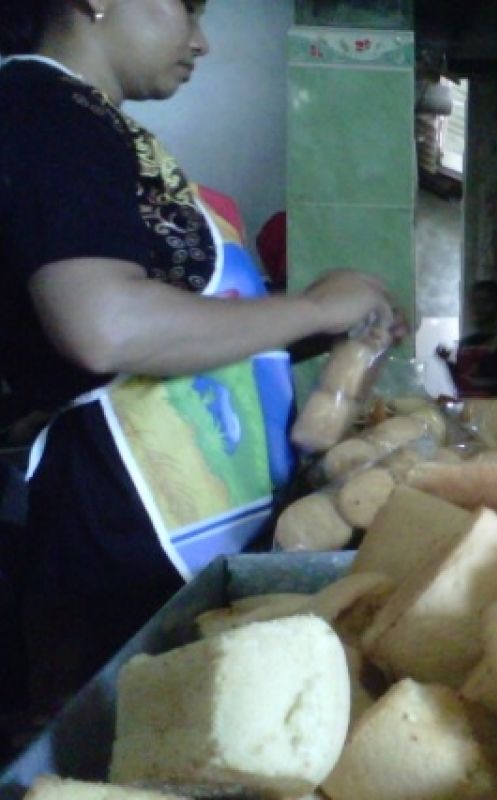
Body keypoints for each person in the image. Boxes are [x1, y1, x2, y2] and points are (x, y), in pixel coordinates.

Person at [0, 0, 405, 712]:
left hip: (157, 534)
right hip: (116, 533)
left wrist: (319, 323)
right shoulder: (43, 109)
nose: (201, 40)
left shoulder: (92, 124)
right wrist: (309, 310)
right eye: (184, 8)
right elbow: (105, 325)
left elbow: (178, 322)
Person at [437, 279, 497, 397]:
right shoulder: (466, 343)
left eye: (486, 301)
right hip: (472, 408)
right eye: (475, 302)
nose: (479, 308)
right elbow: (462, 383)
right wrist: (449, 361)